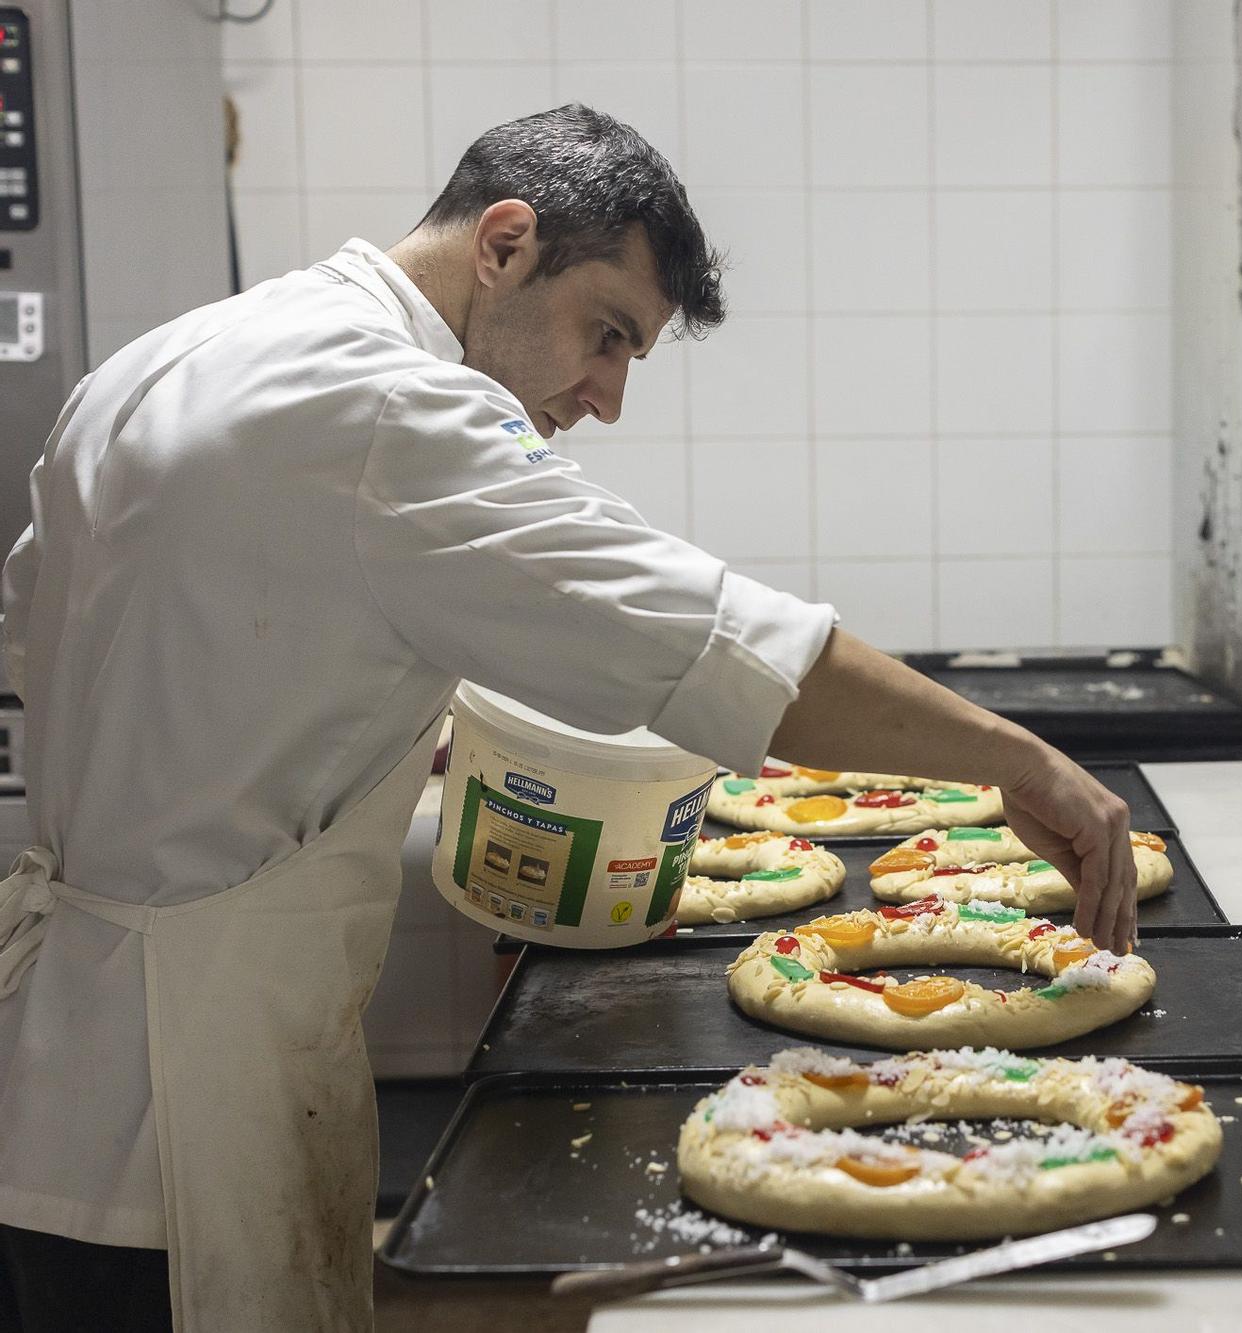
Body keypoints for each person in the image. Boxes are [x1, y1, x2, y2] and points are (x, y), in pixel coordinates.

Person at [0, 105, 1136, 1331]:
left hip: (49, 1070)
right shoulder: (393, 412)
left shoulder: (169, 356)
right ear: (503, 242)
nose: (604, 397)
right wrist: (1019, 759)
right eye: (606, 334)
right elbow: (707, 637)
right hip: (174, 1113)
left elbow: (65, 640)